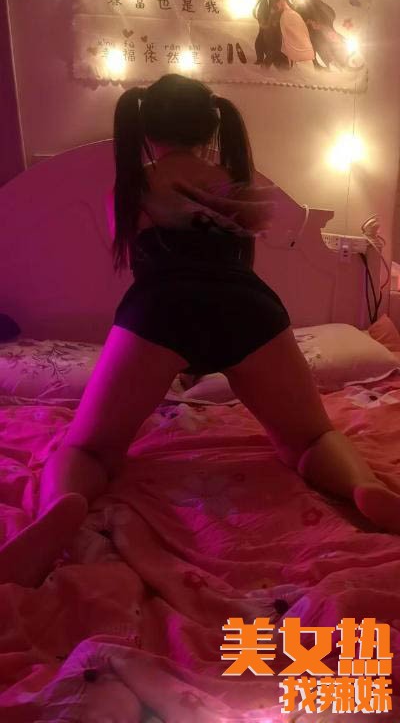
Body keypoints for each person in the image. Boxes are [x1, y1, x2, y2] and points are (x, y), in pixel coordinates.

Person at [0, 73, 399, 587]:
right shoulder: (235, 183)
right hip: (247, 309)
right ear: (211, 126)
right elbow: (241, 255)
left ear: (146, 127)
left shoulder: (134, 185)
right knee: (311, 437)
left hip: (160, 311)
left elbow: (133, 245)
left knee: (89, 449)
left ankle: (63, 504)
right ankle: (362, 486)